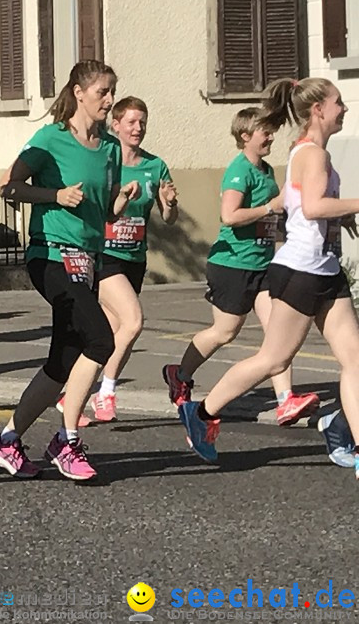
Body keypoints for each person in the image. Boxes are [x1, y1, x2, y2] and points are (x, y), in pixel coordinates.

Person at [179, 77, 359, 469]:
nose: (343, 109)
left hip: (325, 269)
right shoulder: (312, 154)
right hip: (300, 271)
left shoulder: (310, 153)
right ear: (318, 110)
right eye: (338, 103)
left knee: (355, 361)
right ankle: (203, 413)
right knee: (273, 361)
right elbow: (312, 207)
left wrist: (342, 217)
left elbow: (306, 208)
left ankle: (343, 432)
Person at [0, 61, 137, 482]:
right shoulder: (50, 139)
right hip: (50, 254)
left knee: (63, 358)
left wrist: (121, 201)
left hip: (87, 258)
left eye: (112, 91)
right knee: (101, 339)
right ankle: (65, 440)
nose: (109, 100)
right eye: (103, 92)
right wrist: (55, 194)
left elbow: (103, 210)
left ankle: (8, 438)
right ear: (79, 93)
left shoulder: (109, 148)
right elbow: (11, 186)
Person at [162, 107, 320, 426]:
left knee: (278, 332)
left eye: (272, 131)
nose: (270, 137)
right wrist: (268, 207)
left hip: (263, 266)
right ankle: (179, 373)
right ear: (246, 136)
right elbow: (229, 216)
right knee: (225, 331)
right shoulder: (239, 170)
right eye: (265, 132)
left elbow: (272, 219)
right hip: (232, 265)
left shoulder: (265, 170)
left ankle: (285, 400)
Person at [82, 97, 178, 422]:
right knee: (134, 322)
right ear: (116, 125)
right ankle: (106, 392)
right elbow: (100, 209)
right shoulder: (107, 163)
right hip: (104, 255)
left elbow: (169, 218)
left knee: (109, 337)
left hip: (134, 257)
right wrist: (121, 195)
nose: (138, 129)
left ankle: (72, 396)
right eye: (132, 122)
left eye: (143, 122)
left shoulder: (156, 165)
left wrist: (169, 202)